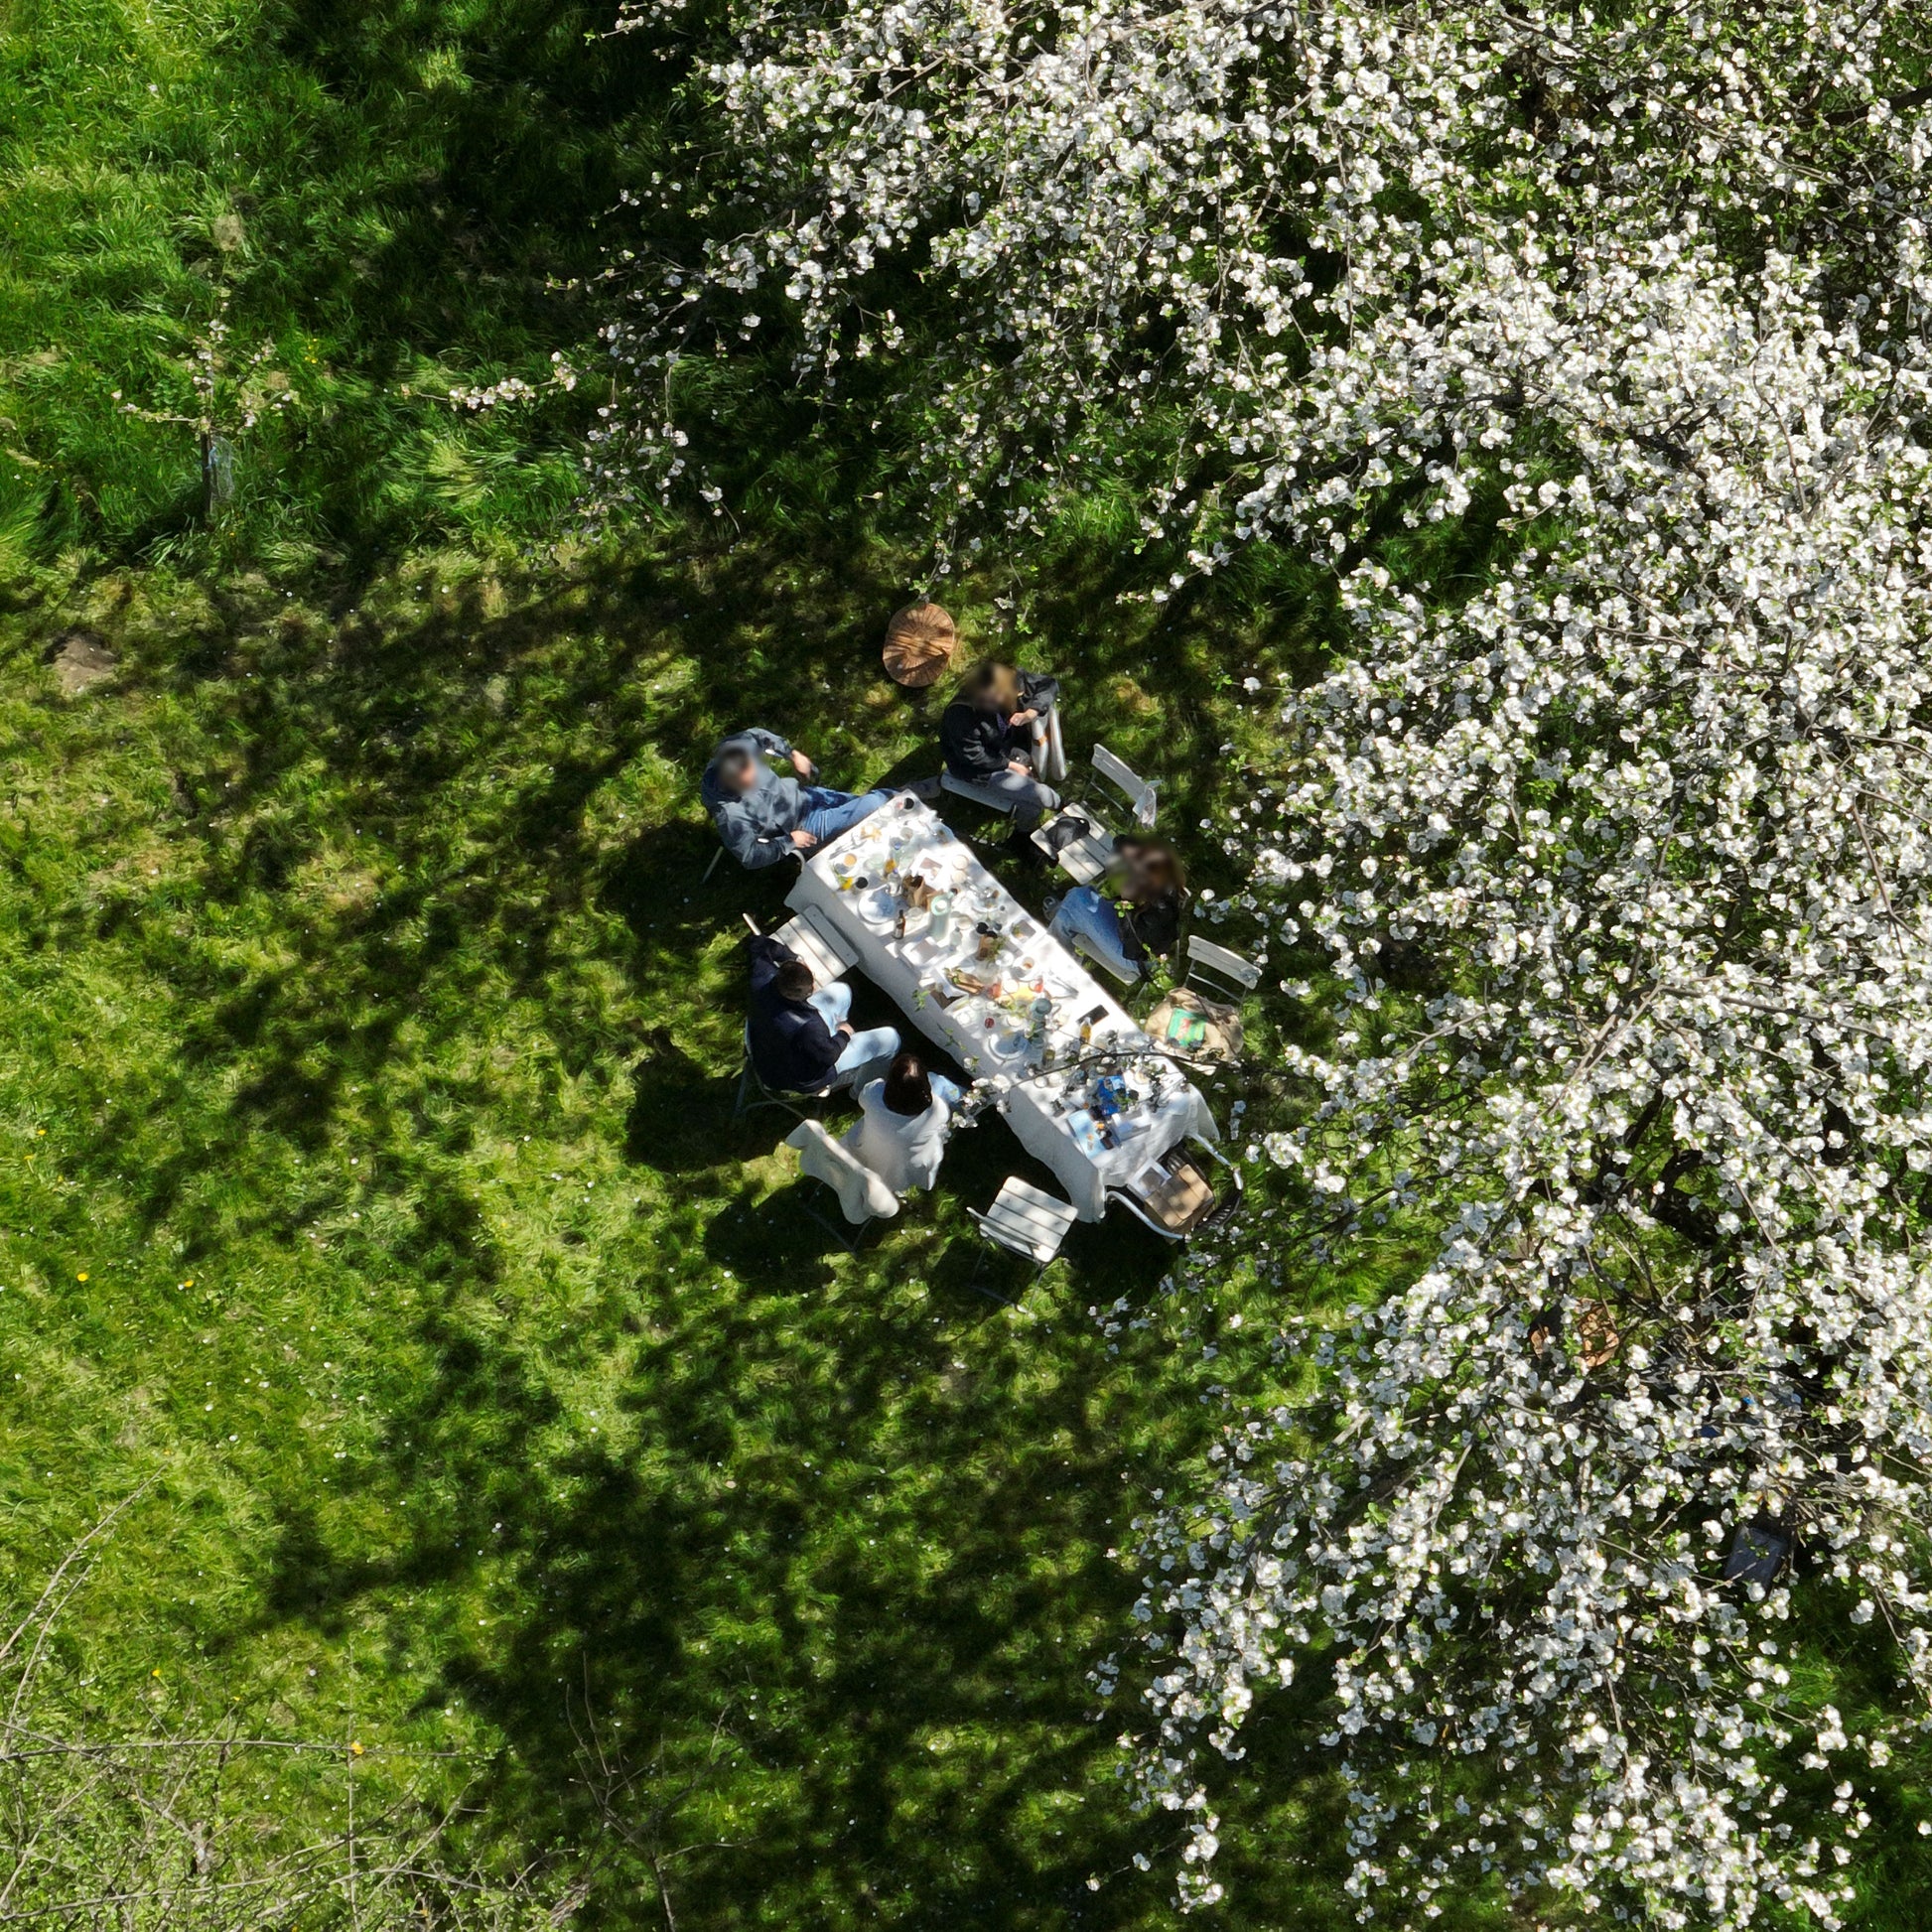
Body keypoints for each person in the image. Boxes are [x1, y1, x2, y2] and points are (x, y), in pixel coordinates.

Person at [703, 727, 894, 871]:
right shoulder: (730, 816)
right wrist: (789, 841)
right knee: (875, 803)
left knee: (869, 811)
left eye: (755, 775)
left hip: (806, 795)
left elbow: (759, 735)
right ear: (727, 780)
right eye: (747, 784)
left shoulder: (736, 748)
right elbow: (750, 856)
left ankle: (908, 797)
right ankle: (915, 792)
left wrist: (791, 754)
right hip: (802, 827)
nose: (755, 783)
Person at [747, 934, 900, 1093]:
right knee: (891, 1039)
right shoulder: (809, 1027)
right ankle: (862, 1091)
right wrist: (843, 1034)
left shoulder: (762, 977)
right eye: (810, 989)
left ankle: (841, 1042)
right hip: (793, 1077)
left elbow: (757, 943)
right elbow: (829, 1055)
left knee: (841, 991)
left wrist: (792, 958)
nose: (813, 987)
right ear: (799, 995)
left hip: (765, 1048)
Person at [939, 660, 1065, 831]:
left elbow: (1049, 684)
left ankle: (1022, 833)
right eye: (991, 697)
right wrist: (1010, 765)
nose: (999, 700)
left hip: (1005, 746)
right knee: (1040, 795)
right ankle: (1061, 806)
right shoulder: (961, 716)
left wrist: (1031, 712)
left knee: (1032, 804)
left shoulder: (1010, 679)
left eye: (1002, 694)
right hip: (979, 769)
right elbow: (973, 756)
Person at [1048, 836, 1187, 984]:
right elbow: (1121, 842)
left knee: (1076, 899)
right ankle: (1059, 950)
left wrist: (1126, 904)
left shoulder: (1159, 910)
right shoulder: (1155, 882)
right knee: (1073, 905)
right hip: (1132, 927)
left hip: (1136, 955)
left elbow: (1132, 943)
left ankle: (1055, 956)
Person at [842, 1051, 966, 1194]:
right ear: (924, 1088)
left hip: (868, 1149)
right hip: (900, 1170)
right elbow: (938, 1109)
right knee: (940, 1083)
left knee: (938, 1082)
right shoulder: (936, 1111)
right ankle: (971, 1098)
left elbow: (864, 1096)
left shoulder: (873, 1093)